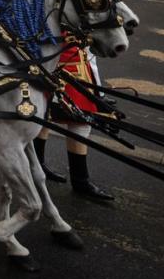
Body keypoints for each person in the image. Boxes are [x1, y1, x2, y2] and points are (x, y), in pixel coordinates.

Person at [34, 43, 114, 201]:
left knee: (55, 117)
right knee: (71, 120)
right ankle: (79, 180)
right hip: (58, 63)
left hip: (73, 62)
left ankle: (75, 177)